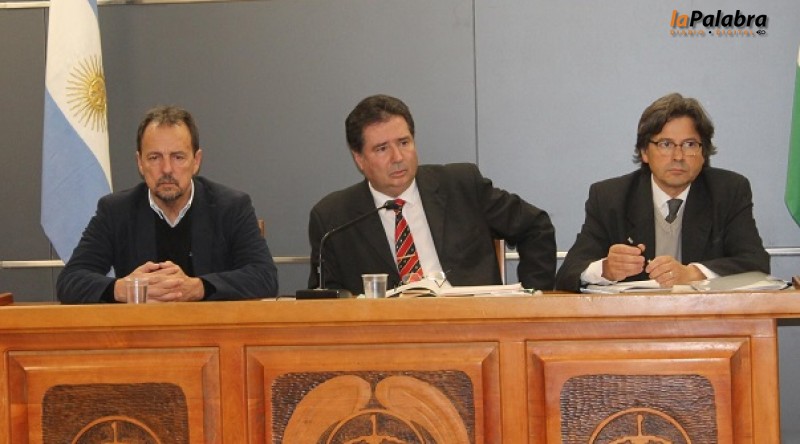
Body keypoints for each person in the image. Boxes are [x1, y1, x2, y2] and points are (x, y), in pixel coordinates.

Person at [307, 94, 556, 295]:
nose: (398, 157)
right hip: (386, 336)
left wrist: (532, 300)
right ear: (359, 159)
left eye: (404, 143)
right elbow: (325, 299)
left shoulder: (460, 185)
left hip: (471, 327)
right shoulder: (333, 218)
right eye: (382, 149)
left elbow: (536, 227)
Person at [57, 105, 278, 303]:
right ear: (140, 163)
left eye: (178, 157)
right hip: (142, 332)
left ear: (196, 161)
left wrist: (198, 287)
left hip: (211, 331)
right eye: (154, 158)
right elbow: (70, 280)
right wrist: (126, 289)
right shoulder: (116, 211)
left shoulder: (231, 207)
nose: (167, 169)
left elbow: (265, 276)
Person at [555, 93, 769, 292]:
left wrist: (692, 274)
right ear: (644, 152)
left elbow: (756, 263)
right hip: (635, 318)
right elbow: (568, 274)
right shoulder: (610, 198)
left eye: (689, 144)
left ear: (703, 152)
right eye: (666, 144)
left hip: (708, 316)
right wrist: (606, 269)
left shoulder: (728, 191)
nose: (678, 156)